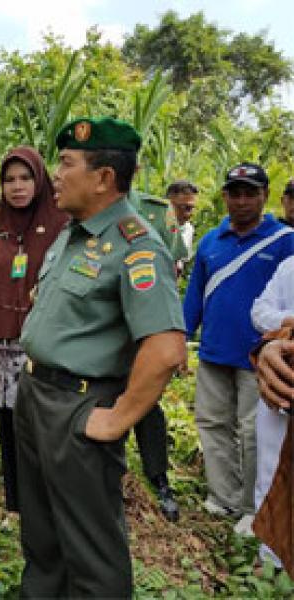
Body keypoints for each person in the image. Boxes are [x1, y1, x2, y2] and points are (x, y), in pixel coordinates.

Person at [15, 116, 186, 597]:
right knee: (42, 535)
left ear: (104, 178)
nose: (55, 174)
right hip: (36, 397)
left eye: (66, 164)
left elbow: (166, 347)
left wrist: (116, 420)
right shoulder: (74, 233)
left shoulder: (136, 246)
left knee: (91, 548)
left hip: (76, 407)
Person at [183, 162, 294, 532]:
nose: (243, 201)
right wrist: (181, 338)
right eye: (235, 193)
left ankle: (253, 505)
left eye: (251, 193)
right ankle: (223, 496)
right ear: (225, 197)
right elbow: (193, 296)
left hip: (259, 357)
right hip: (213, 350)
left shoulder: (284, 241)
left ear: (265, 197)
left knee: (254, 431)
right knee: (212, 423)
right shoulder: (210, 241)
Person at [0, 147, 67, 513]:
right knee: (8, 423)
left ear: (40, 180)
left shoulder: (62, 224)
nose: (17, 187)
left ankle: (45, 504)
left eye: (25, 178)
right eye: (9, 180)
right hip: (0, 347)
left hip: (43, 348)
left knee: (40, 427)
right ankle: (16, 503)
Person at [126, 186, 189, 521]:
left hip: (145, 326)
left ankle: (158, 477)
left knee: (147, 401)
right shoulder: (82, 208)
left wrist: (172, 333)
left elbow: (170, 277)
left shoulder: (155, 211)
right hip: (100, 327)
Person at [249, 255, 294, 555]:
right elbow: (259, 310)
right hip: (282, 380)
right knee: (271, 463)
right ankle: (271, 559)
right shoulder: (289, 266)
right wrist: (286, 326)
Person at [166, 179, 199, 260]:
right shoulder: (153, 226)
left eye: (192, 208)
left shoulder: (188, 229)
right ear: (170, 202)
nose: (190, 214)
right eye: (186, 207)